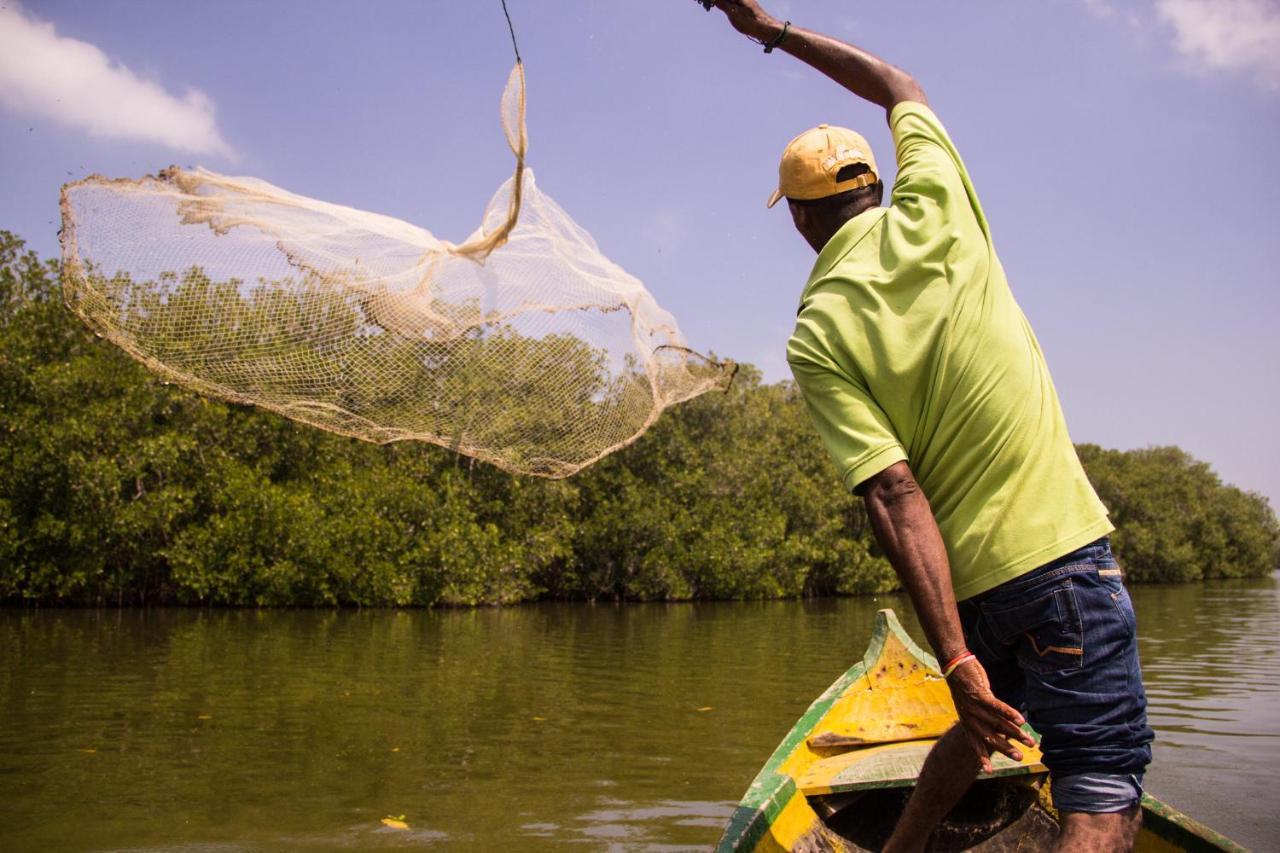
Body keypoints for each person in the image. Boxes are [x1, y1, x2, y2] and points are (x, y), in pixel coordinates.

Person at [705, 2, 1155, 851]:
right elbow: (897, 85)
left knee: (982, 716)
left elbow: (893, 492)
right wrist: (766, 30)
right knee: (1103, 795)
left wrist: (955, 659)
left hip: (977, 590)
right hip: (1064, 561)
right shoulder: (939, 203)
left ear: (800, 222)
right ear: (875, 182)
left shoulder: (815, 330)